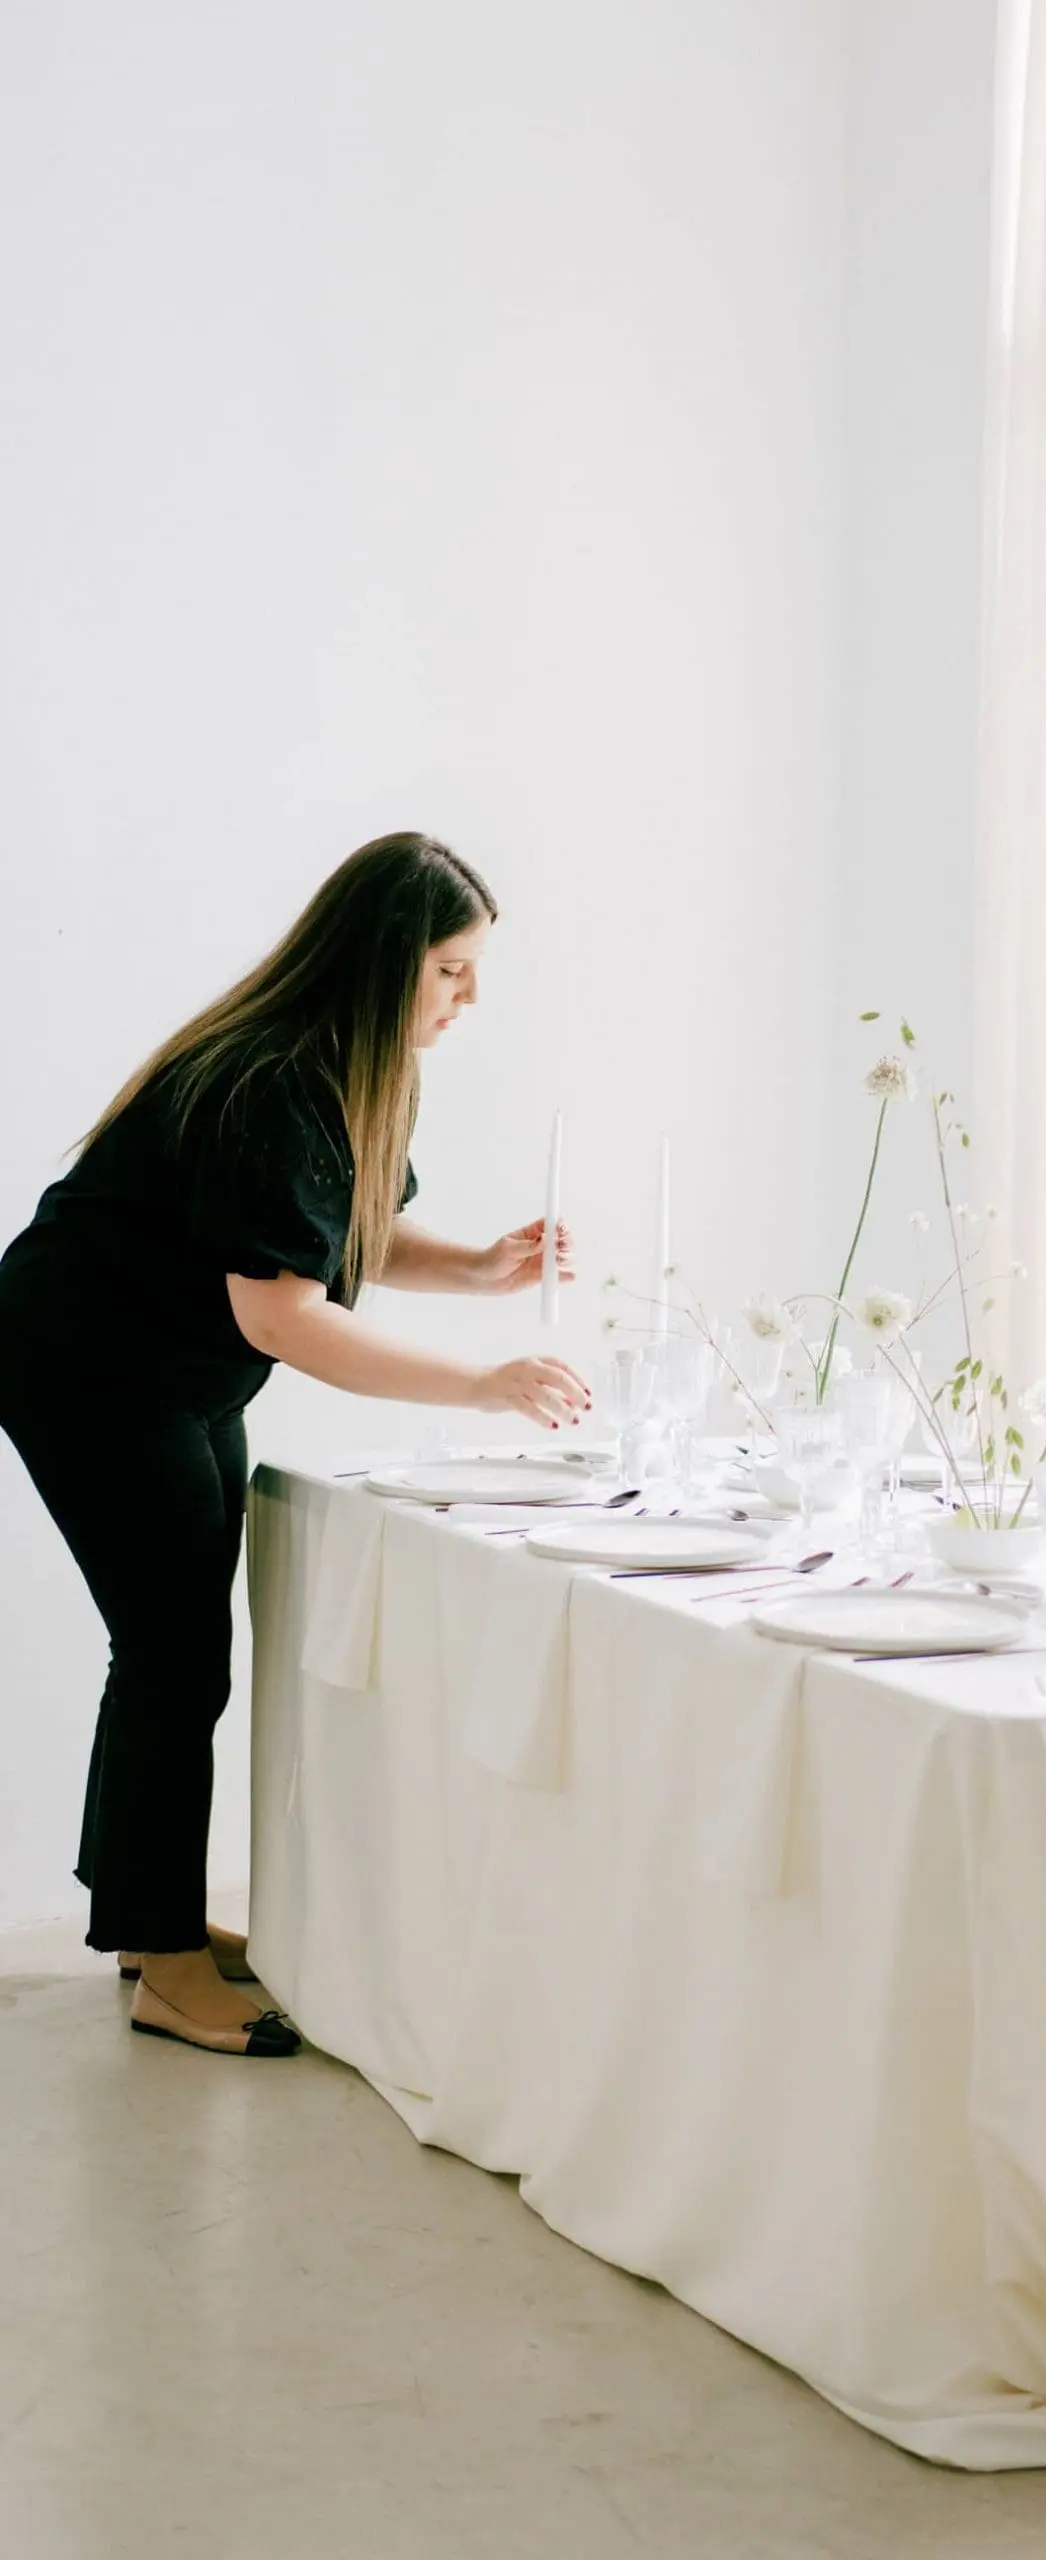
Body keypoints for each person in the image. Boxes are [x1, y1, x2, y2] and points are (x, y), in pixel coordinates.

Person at [0, 832, 588, 2057]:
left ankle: (146, 1922)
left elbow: (333, 1232)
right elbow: (285, 1315)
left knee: (173, 1648)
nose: (471, 996)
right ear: (383, 962)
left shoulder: (349, 1068)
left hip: (170, 1367)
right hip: (92, 1367)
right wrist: (483, 1385)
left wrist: (481, 1268)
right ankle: (166, 1964)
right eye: (451, 968)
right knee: (174, 1655)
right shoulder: (270, 1081)